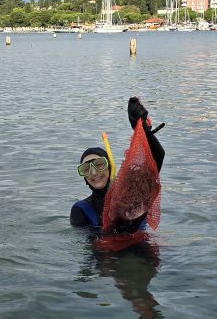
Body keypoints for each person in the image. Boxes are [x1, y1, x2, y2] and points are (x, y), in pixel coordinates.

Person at [70, 97, 165, 230]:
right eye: (86, 168)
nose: (93, 172)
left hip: (144, 248)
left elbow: (157, 159)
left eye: (99, 164)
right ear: (84, 177)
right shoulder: (80, 210)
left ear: (110, 167)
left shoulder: (132, 192)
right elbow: (89, 247)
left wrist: (142, 128)